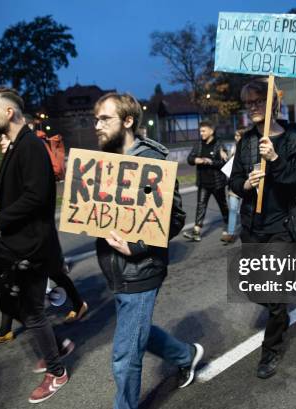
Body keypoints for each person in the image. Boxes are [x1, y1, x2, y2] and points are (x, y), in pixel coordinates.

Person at [93, 92, 203, 409]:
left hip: (142, 268)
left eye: (104, 119)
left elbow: (175, 218)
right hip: (114, 267)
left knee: (125, 353)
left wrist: (137, 246)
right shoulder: (106, 158)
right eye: (95, 119)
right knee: (138, 330)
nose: (97, 125)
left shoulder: (152, 161)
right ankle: (186, 355)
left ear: (127, 121)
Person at [0, 87, 70, 403]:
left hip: (33, 244)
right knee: (10, 305)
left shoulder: (31, 146)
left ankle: (57, 371)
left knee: (31, 310)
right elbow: (17, 192)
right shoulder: (15, 146)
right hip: (17, 242)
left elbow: (35, 197)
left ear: (10, 112)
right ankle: (55, 346)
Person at [229, 78, 296, 379]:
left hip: (282, 228)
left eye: (256, 102)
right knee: (252, 287)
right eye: (247, 103)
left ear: (272, 104)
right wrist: (245, 184)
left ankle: (271, 350)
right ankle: (279, 309)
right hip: (253, 226)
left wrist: (275, 160)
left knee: (274, 295)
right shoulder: (247, 140)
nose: (250, 107)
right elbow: (234, 181)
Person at [0, 135, 88, 348]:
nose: (0, 140)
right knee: (13, 281)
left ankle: (62, 337)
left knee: (52, 273)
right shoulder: (10, 156)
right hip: (18, 232)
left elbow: (32, 196)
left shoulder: (28, 151)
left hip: (34, 234)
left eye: (4, 137)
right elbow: (12, 194)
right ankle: (6, 330)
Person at [183, 120, 229, 242]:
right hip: (203, 182)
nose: (201, 133)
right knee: (201, 206)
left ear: (211, 131)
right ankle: (196, 231)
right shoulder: (198, 144)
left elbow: (224, 163)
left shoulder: (219, 144)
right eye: (200, 131)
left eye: (203, 131)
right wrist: (195, 160)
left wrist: (210, 162)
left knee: (223, 206)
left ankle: (229, 224)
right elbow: (189, 158)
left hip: (217, 183)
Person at [222, 128, 246, 243]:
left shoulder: (249, 148)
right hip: (234, 184)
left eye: (238, 135)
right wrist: (226, 157)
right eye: (235, 135)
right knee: (233, 209)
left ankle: (247, 230)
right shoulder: (233, 148)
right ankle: (231, 233)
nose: (236, 138)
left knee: (245, 210)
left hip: (247, 183)